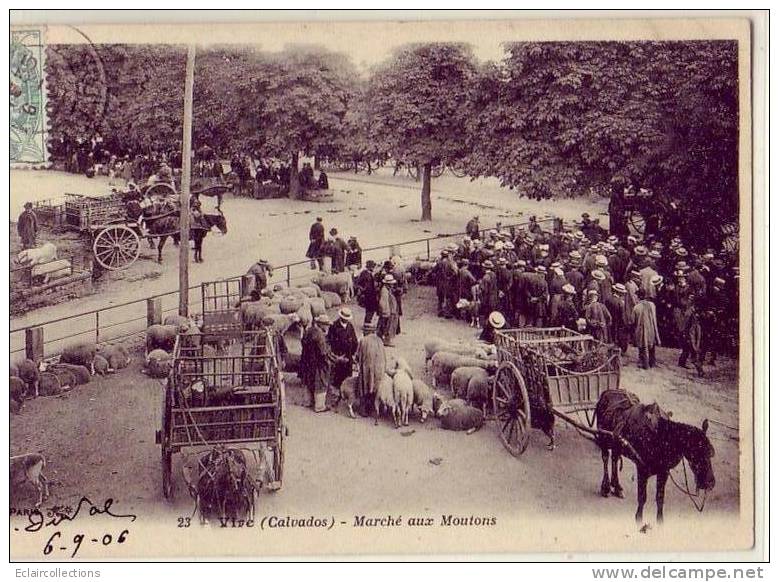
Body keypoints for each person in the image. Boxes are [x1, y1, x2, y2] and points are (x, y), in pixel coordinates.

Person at [300, 314, 338, 412]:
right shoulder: (320, 335)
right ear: (322, 325)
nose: (328, 327)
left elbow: (303, 342)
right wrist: (333, 360)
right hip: (318, 363)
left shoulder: (309, 330)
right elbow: (323, 352)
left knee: (309, 380)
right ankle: (319, 406)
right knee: (320, 383)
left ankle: (307, 402)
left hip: (307, 360)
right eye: (327, 325)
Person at [356, 321, 386, 417]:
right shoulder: (380, 341)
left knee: (365, 386)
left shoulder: (363, 341)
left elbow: (358, 355)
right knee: (376, 386)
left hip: (367, 368)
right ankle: (376, 408)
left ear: (366, 332)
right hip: (379, 368)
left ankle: (364, 409)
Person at [327, 308, 359, 394]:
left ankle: (345, 391)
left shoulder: (350, 326)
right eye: (345, 319)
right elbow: (330, 341)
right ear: (341, 318)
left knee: (348, 375)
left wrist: (353, 353)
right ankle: (336, 391)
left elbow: (355, 341)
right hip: (338, 355)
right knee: (337, 374)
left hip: (348, 356)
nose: (346, 320)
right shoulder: (334, 326)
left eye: (347, 319)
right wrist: (335, 355)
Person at [632, 288, 661, 369]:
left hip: (641, 330)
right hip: (651, 328)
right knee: (651, 345)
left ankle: (645, 363)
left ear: (638, 297)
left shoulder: (636, 307)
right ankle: (652, 362)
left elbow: (632, 320)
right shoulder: (652, 305)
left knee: (643, 347)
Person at [678, 296, 705, 377]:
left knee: (690, 350)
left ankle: (699, 370)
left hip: (692, 334)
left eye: (690, 300)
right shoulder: (691, 312)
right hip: (691, 334)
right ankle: (699, 370)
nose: (688, 301)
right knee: (690, 350)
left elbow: (688, 325)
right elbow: (686, 324)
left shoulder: (692, 311)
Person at [376, 274, 399, 347]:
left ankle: (381, 338)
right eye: (391, 284)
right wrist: (385, 312)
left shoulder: (387, 289)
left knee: (384, 326)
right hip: (388, 312)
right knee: (388, 326)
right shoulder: (384, 291)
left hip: (390, 311)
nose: (392, 285)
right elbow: (383, 302)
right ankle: (387, 340)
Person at [355, 260, 379, 326]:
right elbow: (358, 283)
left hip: (372, 294)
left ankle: (368, 321)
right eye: (372, 266)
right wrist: (362, 289)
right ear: (369, 267)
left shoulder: (370, 273)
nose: (373, 268)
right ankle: (367, 322)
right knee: (370, 308)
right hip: (367, 294)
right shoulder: (364, 273)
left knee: (372, 308)